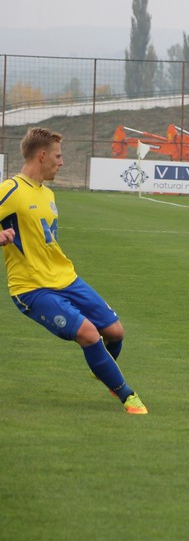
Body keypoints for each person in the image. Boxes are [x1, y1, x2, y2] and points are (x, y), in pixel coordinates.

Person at [0, 128, 148, 414]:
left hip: (66, 278)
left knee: (115, 332)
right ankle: (128, 397)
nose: (62, 161)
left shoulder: (48, 194)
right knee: (89, 334)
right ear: (42, 156)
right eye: (58, 155)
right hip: (31, 287)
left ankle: (101, 369)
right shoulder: (11, 190)